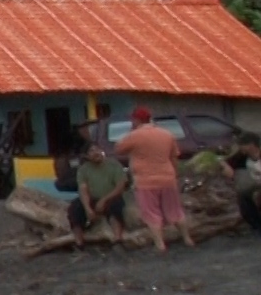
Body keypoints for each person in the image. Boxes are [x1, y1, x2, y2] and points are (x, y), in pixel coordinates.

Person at [114, 107, 194, 251]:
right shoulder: (166, 134)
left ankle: (160, 244)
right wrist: (175, 175)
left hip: (146, 181)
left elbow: (118, 149)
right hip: (167, 178)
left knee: (151, 214)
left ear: (136, 120)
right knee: (175, 211)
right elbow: (174, 157)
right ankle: (187, 238)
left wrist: (131, 132)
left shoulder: (135, 135)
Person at [67, 144, 129, 247]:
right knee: (74, 209)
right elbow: (83, 189)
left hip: (111, 196)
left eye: (97, 150)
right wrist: (87, 208)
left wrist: (104, 200)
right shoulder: (83, 170)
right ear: (87, 156)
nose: (96, 153)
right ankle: (79, 243)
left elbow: (120, 186)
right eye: (91, 151)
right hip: (92, 198)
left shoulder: (113, 165)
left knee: (115, 207)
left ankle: (118, 239)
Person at [222, 131, 261, 233]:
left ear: (251, 145)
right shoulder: (242, 156)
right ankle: (255, 224)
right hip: (255, 183)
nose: (240, 148)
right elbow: (224, 161)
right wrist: (227, 167)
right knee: (243, 195)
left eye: (242, 145)